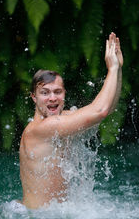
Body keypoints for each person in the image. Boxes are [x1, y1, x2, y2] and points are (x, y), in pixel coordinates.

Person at [19, 32, 123, 209]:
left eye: (57, 92)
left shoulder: (63, 118)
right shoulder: (42, 128)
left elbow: (108, 108)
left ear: (64, 94)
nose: (52, 98)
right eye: (45, 93)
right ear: (33, 98)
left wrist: (118, 69)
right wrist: (111, 69)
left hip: (52, 215)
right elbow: (101, 110)